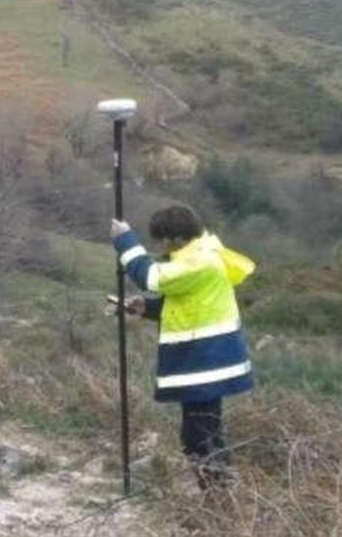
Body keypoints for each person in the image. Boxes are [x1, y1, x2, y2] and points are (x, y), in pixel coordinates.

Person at [109, 205, 255, 490]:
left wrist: (125, 240)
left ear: (174, 238)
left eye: (160, 241)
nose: (159, 248)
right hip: (207, 361)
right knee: (201, 433)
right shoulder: (200, 256)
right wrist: (147, 308)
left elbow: (150, 277)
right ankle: (218, 496)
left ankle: (219, 500)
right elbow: (187, 304)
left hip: (207, 362)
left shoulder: (198, 262)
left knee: (200, 436)